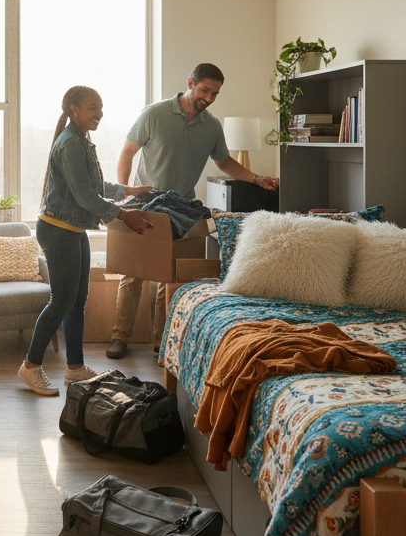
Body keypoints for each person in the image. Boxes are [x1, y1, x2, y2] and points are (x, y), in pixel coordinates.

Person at [106, 62, 280, 360]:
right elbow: (127, 153)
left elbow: (224, 162)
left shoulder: (211, 125)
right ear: (190, 83)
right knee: (132, 274)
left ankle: (162, 343)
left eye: (215, 93)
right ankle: (119, 337)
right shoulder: (154, 114)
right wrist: (123, 194)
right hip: (144, 206)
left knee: (168, 277)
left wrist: (254, 178)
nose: (209, 98)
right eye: (204, 91)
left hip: (180, 210)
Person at [17, 85, 154, 397]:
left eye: (101, 108)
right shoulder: (70, 144)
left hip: (74, 230)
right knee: (62, 301)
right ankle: (29, 366)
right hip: (57, 230)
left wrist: (126, 191)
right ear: (74, 109)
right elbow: (84, 196)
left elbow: (93, 185)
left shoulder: (82, 141)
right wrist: (124, 215)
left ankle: (74, 368)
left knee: (78, 301)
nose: (99, 114)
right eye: (93, 108)